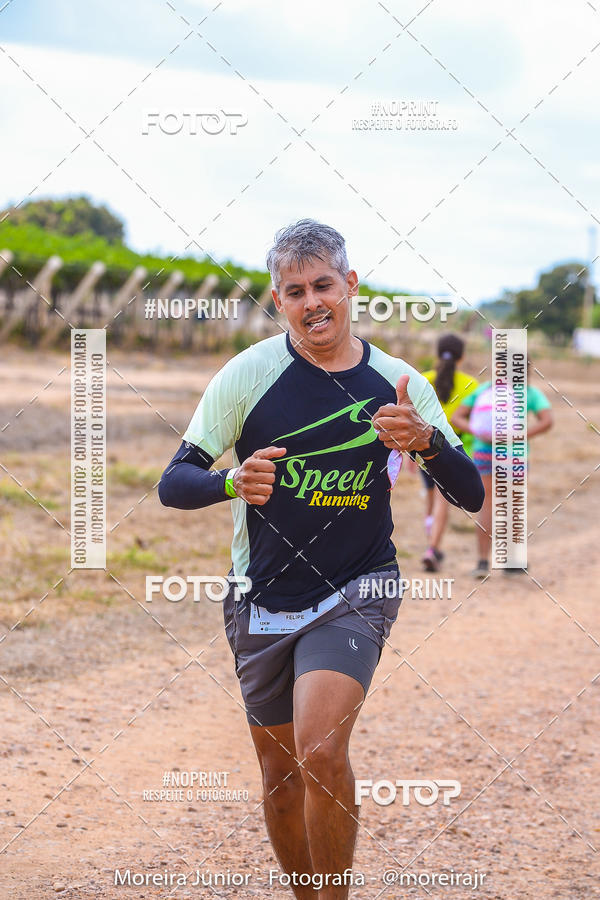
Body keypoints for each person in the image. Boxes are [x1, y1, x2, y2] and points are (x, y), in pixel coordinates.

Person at [158, 219, 484, 899]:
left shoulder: (397, 382)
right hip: (262, 595)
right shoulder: (248, 375)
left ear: (350, 285)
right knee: (280, 780)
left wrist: (424, 441)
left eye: (324, 285)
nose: (314, 302)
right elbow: (173, 481)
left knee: (321, 751)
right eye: (296, 290)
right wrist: (229, 482)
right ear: (279, 299)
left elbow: (472, 493)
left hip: (356, 587)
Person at [452, 358, 553, 579]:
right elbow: (547, 421)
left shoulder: (484, 389)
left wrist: (477, 431)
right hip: (514, 455)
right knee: (514, 504)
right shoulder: (529, 392)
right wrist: (520, 435)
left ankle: (481, 561)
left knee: (486, 506)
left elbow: (456, 416)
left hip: (484, 453)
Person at [420, 334, 479, 572]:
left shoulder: (423, 380)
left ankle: (430, 544)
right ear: (462, 357)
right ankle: (433, 548)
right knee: (443, 502)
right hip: (455, 449)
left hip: (421, 449)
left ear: (437, 353)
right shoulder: (472, 385)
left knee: (430, 499)